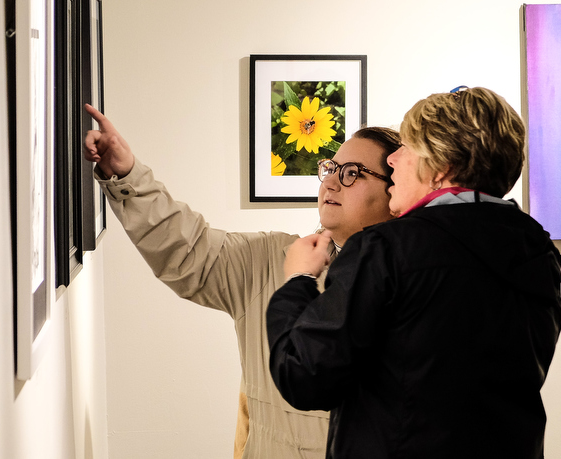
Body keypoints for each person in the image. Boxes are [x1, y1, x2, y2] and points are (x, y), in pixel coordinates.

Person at [82, 104, 401, 458]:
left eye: (352, 173)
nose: (330, 181)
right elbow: (187, 251)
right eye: (330, 168)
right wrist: (128, 177)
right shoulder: (270, 259)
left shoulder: (422, 284)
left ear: (396, 191)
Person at [266, 87, 561, 458]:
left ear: (441, 167)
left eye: (405, 147)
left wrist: (297, 282)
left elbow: (303, 376)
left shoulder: (388, 248)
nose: (392, 160)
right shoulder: (539, 251)